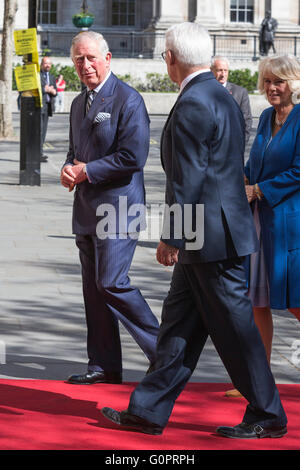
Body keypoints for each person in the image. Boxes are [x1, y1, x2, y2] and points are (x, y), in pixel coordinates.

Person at [100, 22, 287, 439]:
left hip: (209, 237)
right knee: (179, 325)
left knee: (237, 330)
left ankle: (268, 414)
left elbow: (189, 179)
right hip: (217, 232)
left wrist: (173, 238)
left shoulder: (193, 103)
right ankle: (147, 410)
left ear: (169, 58)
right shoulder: (221, 96)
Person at [60, 31, 159, 385]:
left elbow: (134, 157)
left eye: (90, 58)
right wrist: (69, 169)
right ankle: (103, 366)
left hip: (120, 208)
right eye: (78, 60)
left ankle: (165, 357)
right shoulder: (77, 103)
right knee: (94, 290)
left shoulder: (128, 100)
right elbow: (76, 151)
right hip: (86, 209)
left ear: (107, 58)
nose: (85, 66)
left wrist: (87, 170)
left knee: (112, 283)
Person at [226, 55, 300, 398]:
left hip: (290, 224)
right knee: (257, 301)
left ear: (293, 84)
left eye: (279, 82)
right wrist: (237, 177)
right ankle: (258, 382)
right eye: (268, 81)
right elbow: (257, 161)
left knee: (296, 301)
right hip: (259, 222)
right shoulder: (267, 116)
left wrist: (258, 189)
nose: (272, 88)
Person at [211, 56, 252, 143]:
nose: (223, 74)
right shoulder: (204, 91)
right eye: (219, 70)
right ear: (211, 70)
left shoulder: (240, 92)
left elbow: (247, 120)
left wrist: (241, 144)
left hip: (233, 147)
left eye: (225, 71)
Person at [40, 56, 57, 162]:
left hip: (47, 107)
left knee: (43, 131)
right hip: (39, 106)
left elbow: (55, 91)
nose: (48, 65)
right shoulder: (38, 75)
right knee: (39, 131)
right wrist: (44, 89)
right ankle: (38, 154)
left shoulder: (51, 77)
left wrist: (54, 92)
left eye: (49, 64)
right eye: (46, 63)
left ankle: (39, 153)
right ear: (42, 64)